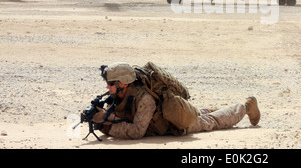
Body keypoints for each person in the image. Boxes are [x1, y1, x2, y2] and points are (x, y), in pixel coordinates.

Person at [92, 62, 261, 140]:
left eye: (111, 84)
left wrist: (107, 121)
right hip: (168, 115)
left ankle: (246, 107)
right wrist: (100, 119)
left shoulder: (145, 99)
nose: (108, 88)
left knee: (210, 122)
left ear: (123, 83)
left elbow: (137, 132)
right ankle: (216, 109)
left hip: (173, 122)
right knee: (201, 114)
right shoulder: (120, 94)